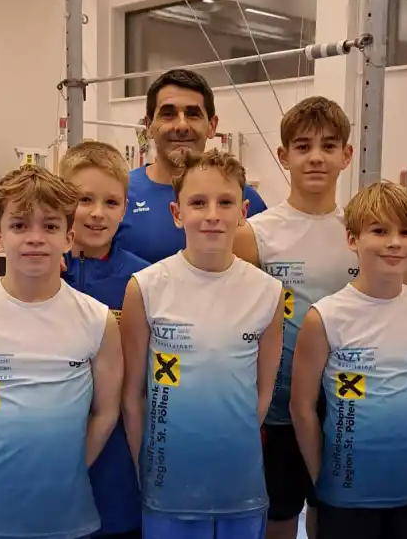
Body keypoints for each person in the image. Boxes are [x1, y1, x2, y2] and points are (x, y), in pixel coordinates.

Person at [232, 96, 407, 539]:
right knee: (280, 516)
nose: (316, 157)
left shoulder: (367, 228)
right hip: (283, 409)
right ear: (284, 157)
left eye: (329, 146)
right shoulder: (255, 235)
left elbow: (400, 310)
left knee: (336, 516)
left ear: (347, 155)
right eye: (302, 147)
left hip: (350, 409)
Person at [0, 165, 123, 539]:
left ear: (68, 237)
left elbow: (105, 412)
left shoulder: (97, 321)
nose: (35, 238)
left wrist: (71, 468)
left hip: (68, 519)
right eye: (20, 226)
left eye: (50, 226)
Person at [120, 149, 284, 539]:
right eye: (198, 202)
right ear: (177, 213)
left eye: (225, 202)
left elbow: (262, 392)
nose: (212, 214)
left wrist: (229, 442)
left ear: (243, 211)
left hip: (239, 485)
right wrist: (148, 465)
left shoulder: (269, 292)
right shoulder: (146, 287)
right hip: (168, 486)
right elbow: (132, 395)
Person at [290, 180, 407, 539]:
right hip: (346, 493)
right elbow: (301, 407)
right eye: (379, 230)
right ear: (352, 239)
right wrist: (321, 476)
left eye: (406, 232)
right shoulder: (325, 316)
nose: (394, 241)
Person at [60, 140, 148, 539]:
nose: (97, 213)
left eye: (111, 202)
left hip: (118, 462)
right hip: (50, 448)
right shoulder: (37, 276)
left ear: (125, 209)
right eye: (84, 199)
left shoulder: (145, 282)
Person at [116, 68, 266, 263]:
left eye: (193, 114)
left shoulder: (242, 197)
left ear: (212, 126)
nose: (181, 126)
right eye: (168, 114)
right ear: (148, 126)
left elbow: (275, 276)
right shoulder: (119, 195)